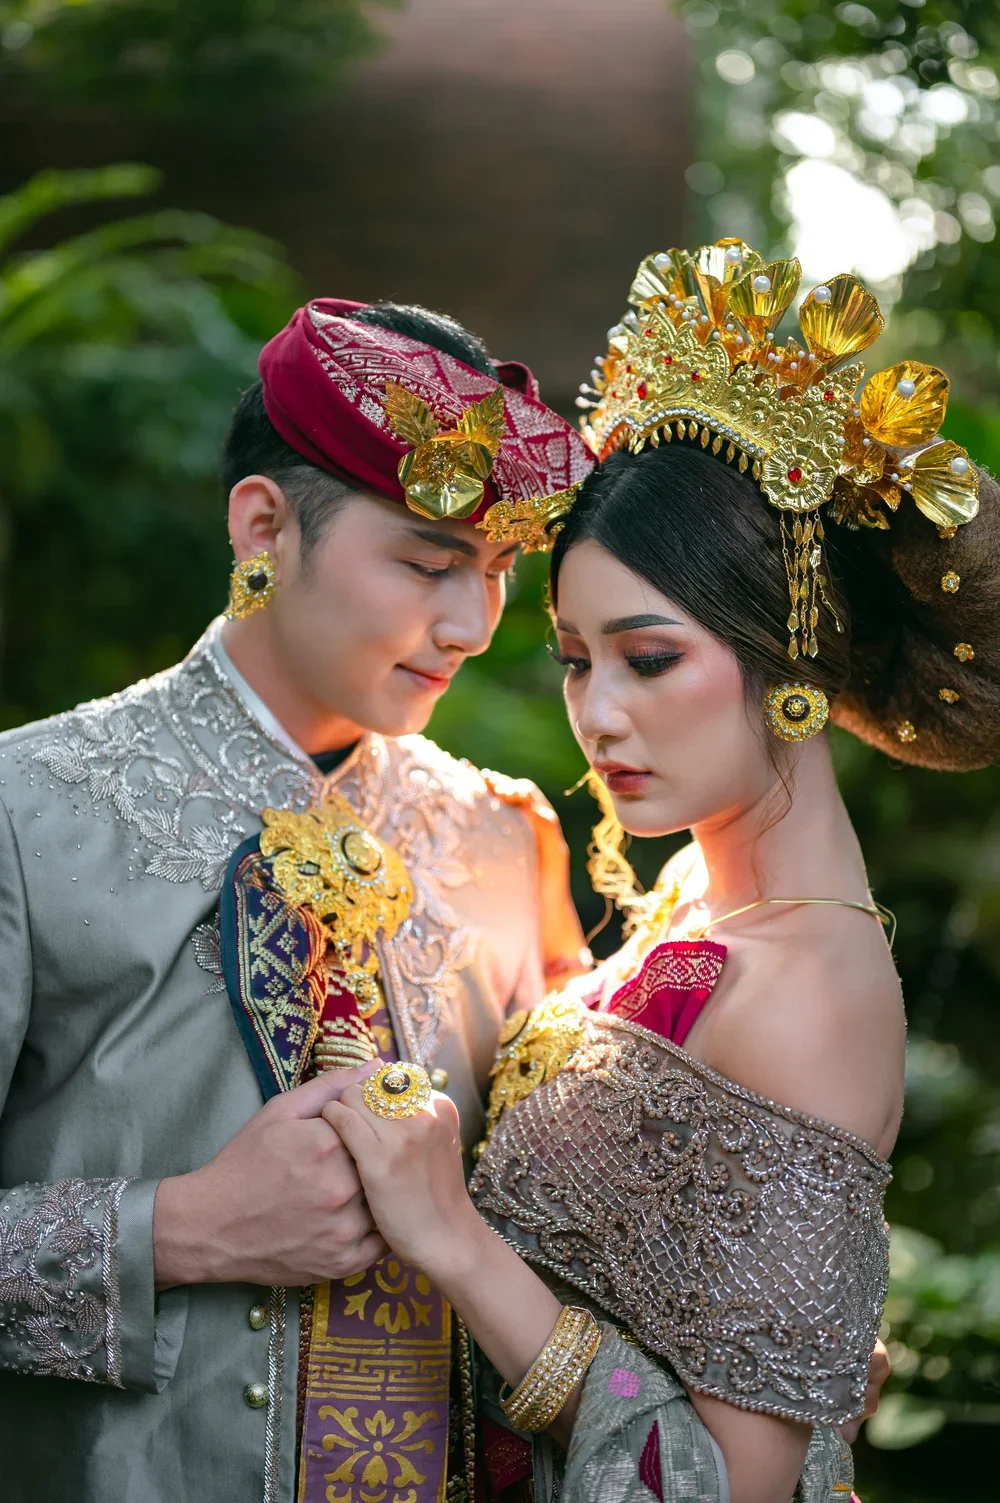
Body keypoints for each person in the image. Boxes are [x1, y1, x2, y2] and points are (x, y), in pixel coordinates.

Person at [322, 241, 998, 1502]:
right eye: (577, 659)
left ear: (788, 660)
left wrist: (455, 1243)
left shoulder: (805, 991)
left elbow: (727, 1483)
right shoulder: (706, 899)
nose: (598, 715)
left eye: (648, 658)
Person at [0, 296, 594, 1502]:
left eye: (496, 572)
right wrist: (178, 1229)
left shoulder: (503, 837)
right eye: (428, 564)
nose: (471, 625)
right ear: (265, 526)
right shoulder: (26, 812)